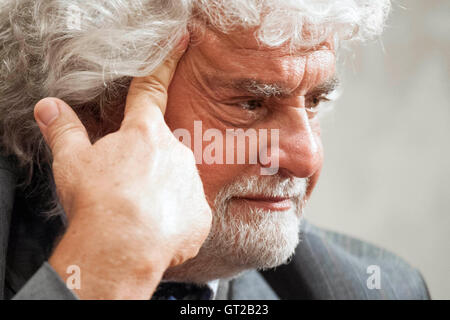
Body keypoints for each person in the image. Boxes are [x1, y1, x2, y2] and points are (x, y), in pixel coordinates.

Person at [0, 0, 429, 299]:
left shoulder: (377, 289)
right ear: (96, 107)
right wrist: (108, 263)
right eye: (250, 104)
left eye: (314, 101)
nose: (307, 158)